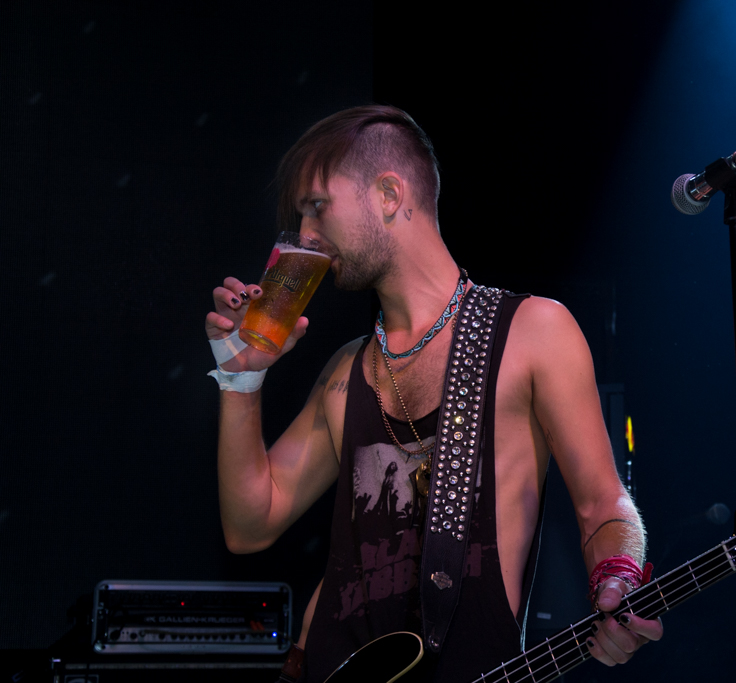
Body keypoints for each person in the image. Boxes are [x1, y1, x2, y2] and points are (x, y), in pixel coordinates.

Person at [205, 105, 662, 682]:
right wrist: (241, 380)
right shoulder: (346, 369)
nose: (307, 233)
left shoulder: (532, 332)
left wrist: (619, 578)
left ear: (389, 194)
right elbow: (249, 527)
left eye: (317, 206)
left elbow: (604, 504)